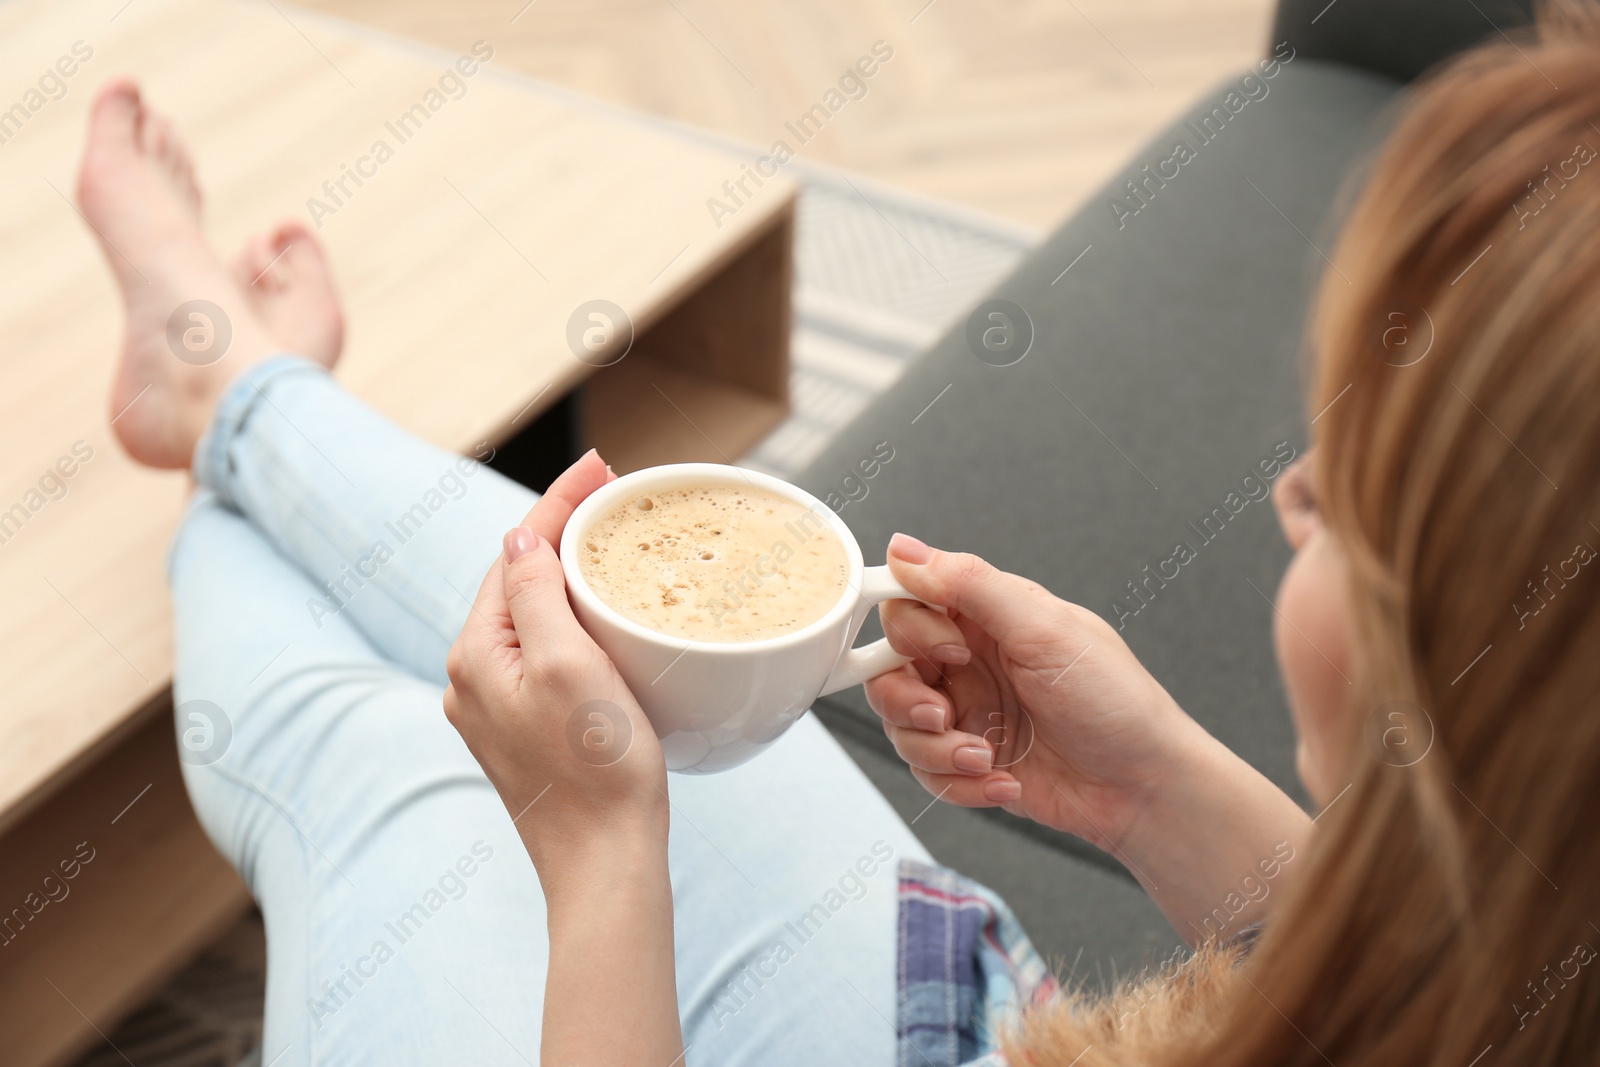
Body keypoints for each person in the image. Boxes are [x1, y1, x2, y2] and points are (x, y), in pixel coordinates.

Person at [76, 3, 1599, 1062]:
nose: (1298, 487)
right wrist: (1157, 798)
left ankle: (221, 405)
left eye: (1368, 499)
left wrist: (603, 869)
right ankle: (223, 401)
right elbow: (1438, 1015)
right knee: (567, 690)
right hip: (977, 1026)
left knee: (385, 762)